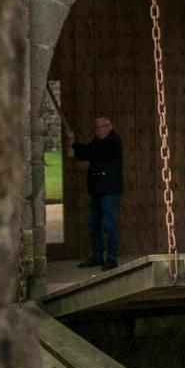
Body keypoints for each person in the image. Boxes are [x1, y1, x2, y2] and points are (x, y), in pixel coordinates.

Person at [66, 116, 123, 271]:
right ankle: (97, 257)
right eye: (96, 128)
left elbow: (95, 155)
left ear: (109, 126)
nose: (98, 130)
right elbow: (83, 155)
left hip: (109, 191)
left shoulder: (113, 142)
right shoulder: (97, 142)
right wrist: (73, 143)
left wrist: (76, 145)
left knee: (109, 225)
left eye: (101, 127)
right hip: (98, 191)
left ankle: (111, 259)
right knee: (94, 225)